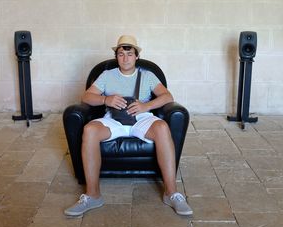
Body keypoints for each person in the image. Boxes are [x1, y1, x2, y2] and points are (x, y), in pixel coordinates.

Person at [64, 35, 193, 216]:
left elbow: (167, 96)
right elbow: (86, 97)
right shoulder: (107, 75)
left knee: (163, 128)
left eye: (129, 54)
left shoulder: (147, 75)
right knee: (90, 130)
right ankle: (93, 195)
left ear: (136, 56)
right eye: (121, 54)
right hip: (114, 119)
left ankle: (171, 193)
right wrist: (105, 99)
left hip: (141, 119)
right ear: (116, 56)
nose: (125, 58)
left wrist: (146, 105)